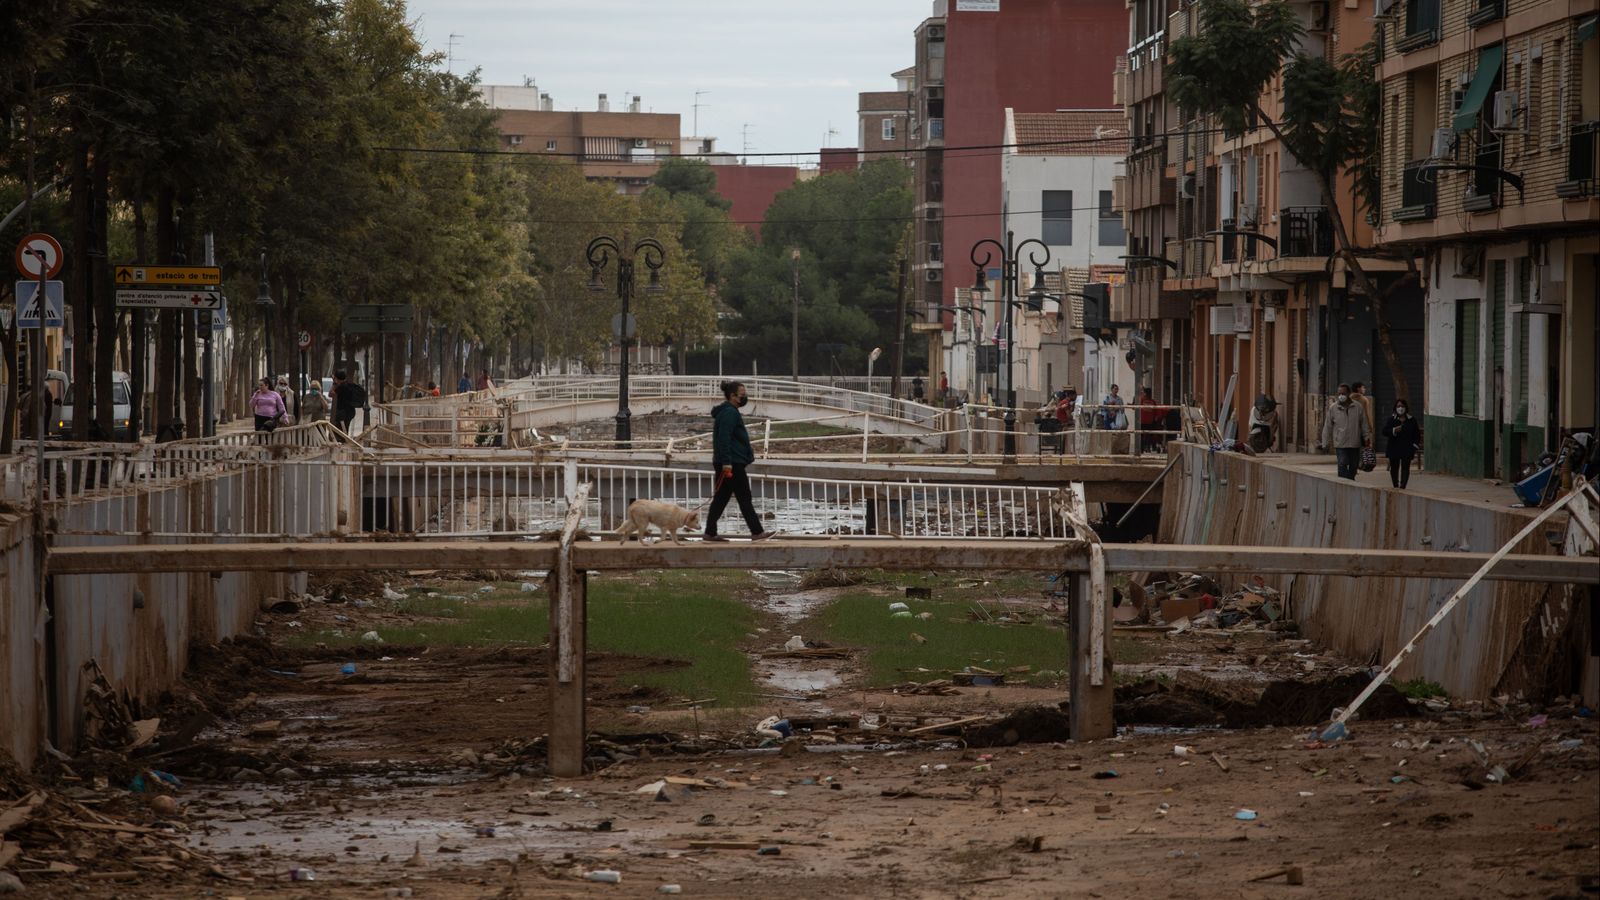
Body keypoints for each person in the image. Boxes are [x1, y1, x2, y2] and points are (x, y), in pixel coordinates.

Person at [703, 381, 777, 542]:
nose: (745, 396)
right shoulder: (730, 413)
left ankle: (710, 532)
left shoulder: (728, 411)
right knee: (744, 497)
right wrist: (727, 462)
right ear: (733, 396)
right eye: (742, 394)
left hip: (728, 462)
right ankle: (757, 532)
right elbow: (724, 438)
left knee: (721, 498)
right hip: (732, 463)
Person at [1321, 383, 1372, 480]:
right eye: (1339, 393)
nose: (1341, 396)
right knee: (1342, 463)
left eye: (1343, 393)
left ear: (1348, 393)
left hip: (1354, 443)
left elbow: (1364, 424)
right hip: (1340, 443)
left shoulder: (1357, 407)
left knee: (1354, 466)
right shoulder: (1333, 408)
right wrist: (1325, 443)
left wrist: (1366, 437)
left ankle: (1350, 481)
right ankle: (1343, 484)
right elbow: (1327, 426)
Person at [1383, 399, 1421, 489]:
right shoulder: (1391, 419)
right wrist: (1394, 430)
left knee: (1405, 467)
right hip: (1394, 447)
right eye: (1398, 406)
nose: (1400, 408)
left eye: (1402, 406)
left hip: (1407, 448)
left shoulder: (1411, 420)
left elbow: (1416, 434)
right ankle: (1395, 485)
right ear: (1395, 408)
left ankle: (1403, 485)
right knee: (1394, 467)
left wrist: (1414, 446)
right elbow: (1384, 431)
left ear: (1406, 408)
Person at [331, 369, 362, 434]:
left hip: (343, 412)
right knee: (345, 429)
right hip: (350, 411)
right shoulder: (348, 384)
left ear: (337, 378)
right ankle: (345, 440)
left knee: (341, 431)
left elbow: (331, 394)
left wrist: (334, 384)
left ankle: (344, 441)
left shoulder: (342, 387)